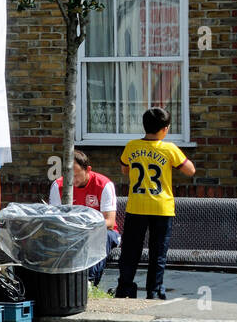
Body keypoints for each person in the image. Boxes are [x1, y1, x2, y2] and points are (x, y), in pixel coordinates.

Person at [114, 106, 196, 300]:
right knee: (158, 252)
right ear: (165, 129)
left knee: (130, 250)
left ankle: (125, 288)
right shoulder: (169, 149)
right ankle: (154, 290)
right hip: (162, 207)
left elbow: (125, 170)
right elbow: (190, 170)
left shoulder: (132, 146)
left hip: (137, 206)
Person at [49, 149, 119, 286]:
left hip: (101, 232)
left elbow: (110, 222)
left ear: (88, 170)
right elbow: (53, 219)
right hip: (70, 232)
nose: (72, 180)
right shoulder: (58, 186)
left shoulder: (104, 184)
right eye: (68, 175)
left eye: (76, 175)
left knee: (97, 240)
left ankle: (89, 283)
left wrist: (84, 228)